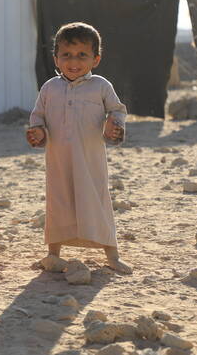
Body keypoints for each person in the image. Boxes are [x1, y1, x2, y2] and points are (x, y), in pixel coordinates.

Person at [26, 22, 132, 274]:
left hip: (90, 160)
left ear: (96, 59)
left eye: (82, 55)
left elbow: (117, 111)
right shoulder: (49, 88)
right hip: (58, 160)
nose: (74, 61)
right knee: (58, 202)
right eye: (67, 55)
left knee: (97, 202)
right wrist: (37, 132)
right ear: (56, 58)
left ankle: (112, 256)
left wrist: (114, 125)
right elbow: (37, 118)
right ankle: (53, 254)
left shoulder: (101, 86)